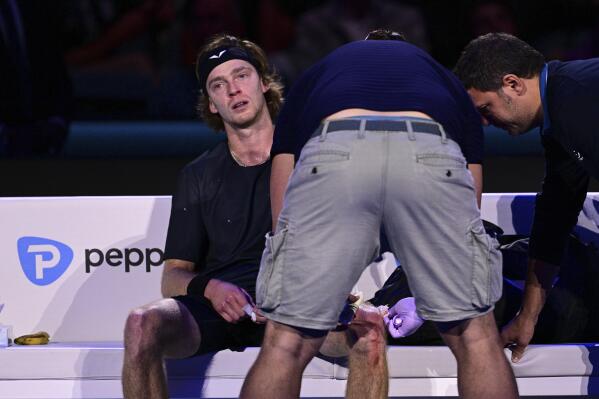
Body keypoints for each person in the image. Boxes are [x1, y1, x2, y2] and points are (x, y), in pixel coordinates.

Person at [240, 29, 518, 399]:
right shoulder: (441, 77)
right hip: (428, 145)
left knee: (285, 342)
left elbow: (285, 168)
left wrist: (293, 271)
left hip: (336, 145)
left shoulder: (323, 71)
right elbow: (471, 189)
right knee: (475, 336)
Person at [121, 33, 392, 399]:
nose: (233, 89)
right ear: (212, 104)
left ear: (264, 83)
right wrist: (214, 289)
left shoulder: (314, 157)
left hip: (299, 304)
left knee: (370, 330)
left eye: (242, 75)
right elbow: (172, 276)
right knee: (142, 325)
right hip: (223, 311)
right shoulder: (198, 175)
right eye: (219, 84)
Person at [454, 32, 599, 363]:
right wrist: (527, 317)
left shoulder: (578, 98)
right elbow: (554, 219)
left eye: (486, 109)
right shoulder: (561, 115)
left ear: (513, 84)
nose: (487, 123)